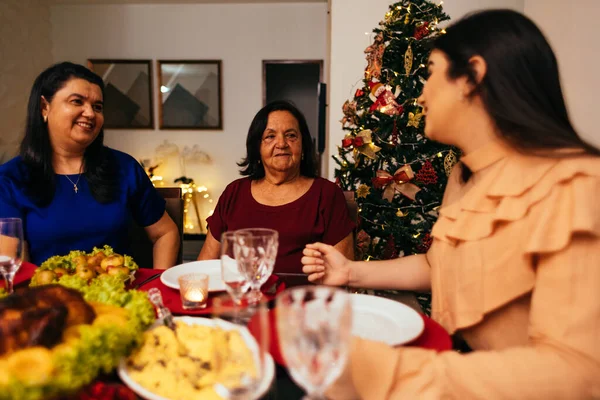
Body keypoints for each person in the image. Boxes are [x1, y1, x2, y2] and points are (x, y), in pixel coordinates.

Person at [302, 9, 600, 399]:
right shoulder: (465, 175)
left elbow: (578, 373)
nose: (422, 92)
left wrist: (390, 371)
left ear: (471, 77)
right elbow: (437, 264)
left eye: (432, 71)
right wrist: (350, 272)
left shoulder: (578, 184)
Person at [0, 62, 179, 269]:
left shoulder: (124, 167)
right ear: (44, 107)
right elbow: (12, 263)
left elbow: (166, 233)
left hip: (118, 296)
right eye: (77, 101)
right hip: (49, 297)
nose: (90, 113)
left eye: (98, 107)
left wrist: (156, 285)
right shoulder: (10, 179)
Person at [198, 100, 354, 278]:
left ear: (303, 146)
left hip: (301, 301)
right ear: (257, 147)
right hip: (240, 301)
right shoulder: (233, 193)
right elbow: (205, 267)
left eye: (291, 135)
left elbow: (342, 275)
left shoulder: (326, 194)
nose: (282, 143)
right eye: (270, 136)